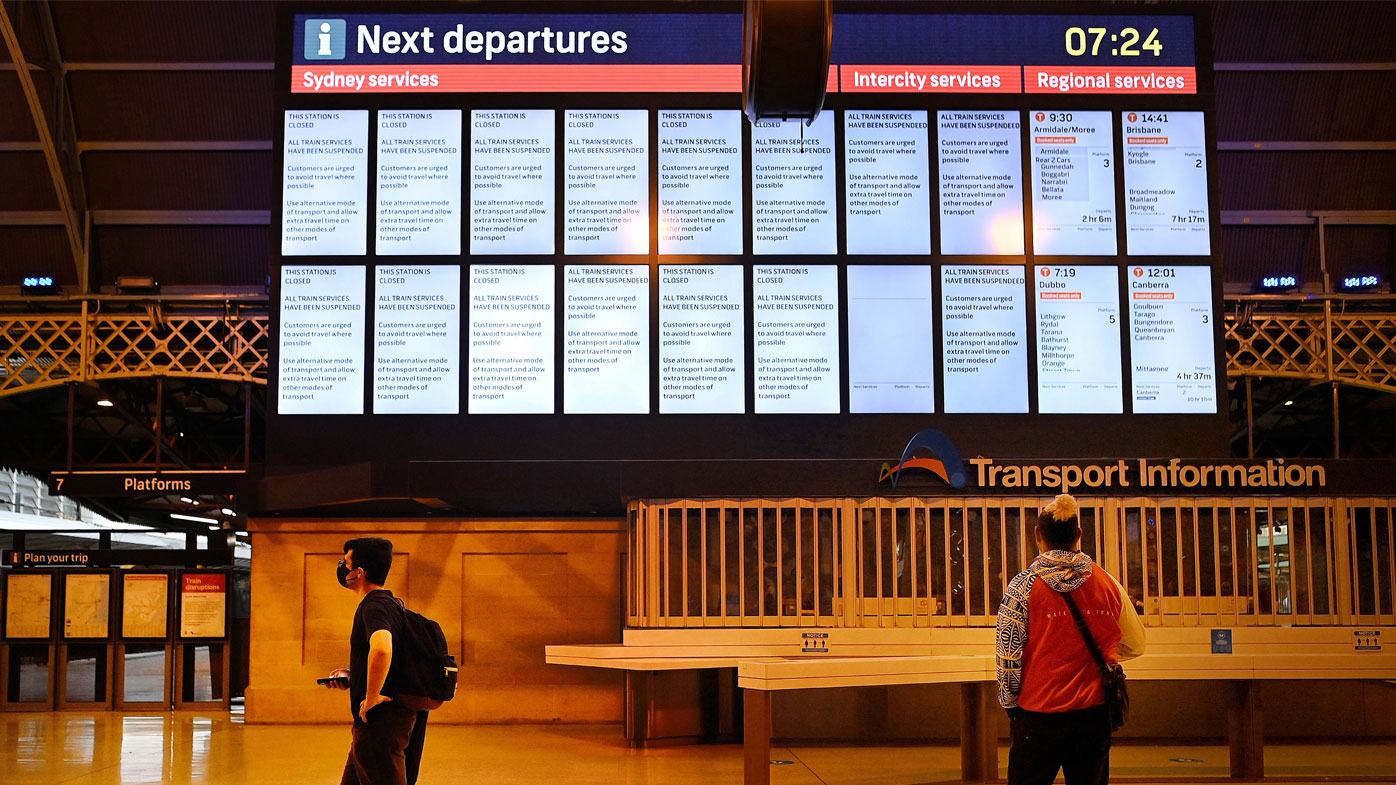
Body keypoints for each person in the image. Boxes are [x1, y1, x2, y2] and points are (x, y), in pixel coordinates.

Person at [995, 494, 1146, 785]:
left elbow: (1008, 657)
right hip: (1093, 716)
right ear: (1078, 534)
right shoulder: (1108, 583)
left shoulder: (1022, 587)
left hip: (1037, 717)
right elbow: (1136, 644)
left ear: (1037, 535)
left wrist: (1012, 706)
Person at [324, 537, 429, 785]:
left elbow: (382, 649)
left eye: (346, 563)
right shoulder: (391, 603)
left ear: (359, 573)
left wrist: (372, 697)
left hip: (380, 724)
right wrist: (354, 676)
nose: (342, 567)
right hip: (377, 724)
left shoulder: (375, 606)